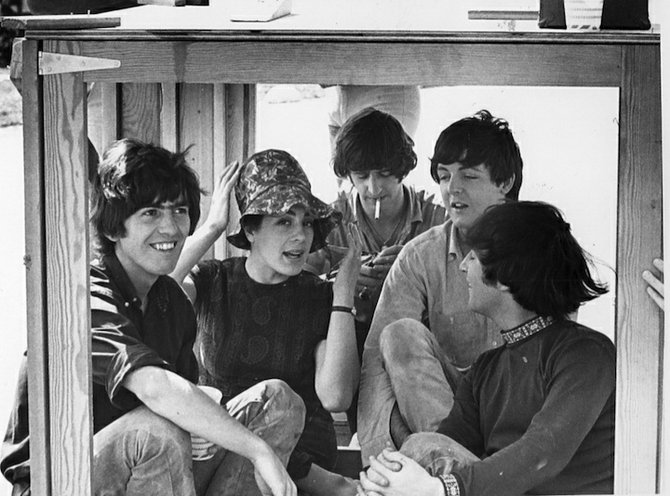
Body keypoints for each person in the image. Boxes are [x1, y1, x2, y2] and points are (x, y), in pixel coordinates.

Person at [1, 139, 303, 496]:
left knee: (277, 403)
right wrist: (257, 450)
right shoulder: (85, 296)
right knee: (155, 431)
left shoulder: (170, 301)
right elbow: (154, 388)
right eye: (151, 213)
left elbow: (182, 403)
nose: (171, 228)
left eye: (179, 210)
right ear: (113, 228)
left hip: (148, 474)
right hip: (61, 481)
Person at [359, 201, 615, 496]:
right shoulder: (485, 369)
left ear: (504, 276)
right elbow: (444, 446)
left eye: (473, 257)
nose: (463, 265)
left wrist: (442, 489)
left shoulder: (586, 354)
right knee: (419, 446)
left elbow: (544, 450)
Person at [170, 149, 362, 496]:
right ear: (251, 230)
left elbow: (335, 397)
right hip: (220, 453)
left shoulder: (319, 297)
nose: (301, 236)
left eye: (307, 222)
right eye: (284, 221)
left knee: (279, 399)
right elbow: (161, 293)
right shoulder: (213, 281)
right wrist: (212, 228)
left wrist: (344, 291)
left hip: (295, 467)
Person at [358, 110, 524, 460]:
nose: (452, 188)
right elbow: (376, 368)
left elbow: (558, 361)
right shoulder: (419, 256)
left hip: (519, 427)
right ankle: (451, 465)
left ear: (506, 182)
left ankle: (469, 472)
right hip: (447, 426)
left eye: (469, 175)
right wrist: (400, 448)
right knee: (398, 334)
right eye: (445, 176)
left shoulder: (542, 249)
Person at [305, 107, 446, 434]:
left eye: (384, 173)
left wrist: (410, 274)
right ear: (347, 173)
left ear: (402, 168)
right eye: (361, 175)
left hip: (422, 354)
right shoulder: (329, 223)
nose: (373, 187)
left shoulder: (437, 220)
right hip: (355, 358)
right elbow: (301, 286)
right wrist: (341, 283)